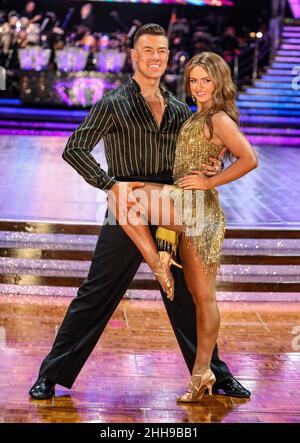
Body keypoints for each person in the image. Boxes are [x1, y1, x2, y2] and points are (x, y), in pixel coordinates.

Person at [29, 23, 251, 401]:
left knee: (185, 297)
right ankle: (51, 374)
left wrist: (211, 170)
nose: (155, 57)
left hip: (170, 208)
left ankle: (213, 374)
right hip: (126, 206)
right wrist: (108, 183)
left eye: (162, 51)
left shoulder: (182, 110)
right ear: (134, 55)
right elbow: (75, 148)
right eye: (147, 50)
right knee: (96, 293)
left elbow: (202, 150)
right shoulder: (113, 103)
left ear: (168, 56)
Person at [108, 49, 258, 402]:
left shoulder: (219, 118)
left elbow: (250, 159)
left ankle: (203, 369)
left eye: (207, 80)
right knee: (199, 296)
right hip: (184, 208)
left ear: (219, 82)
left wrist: (210, 181)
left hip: (198, 209)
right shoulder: (197, 116)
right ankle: (202, 371)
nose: (200, 86)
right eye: (194, 80)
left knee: (123, 194)